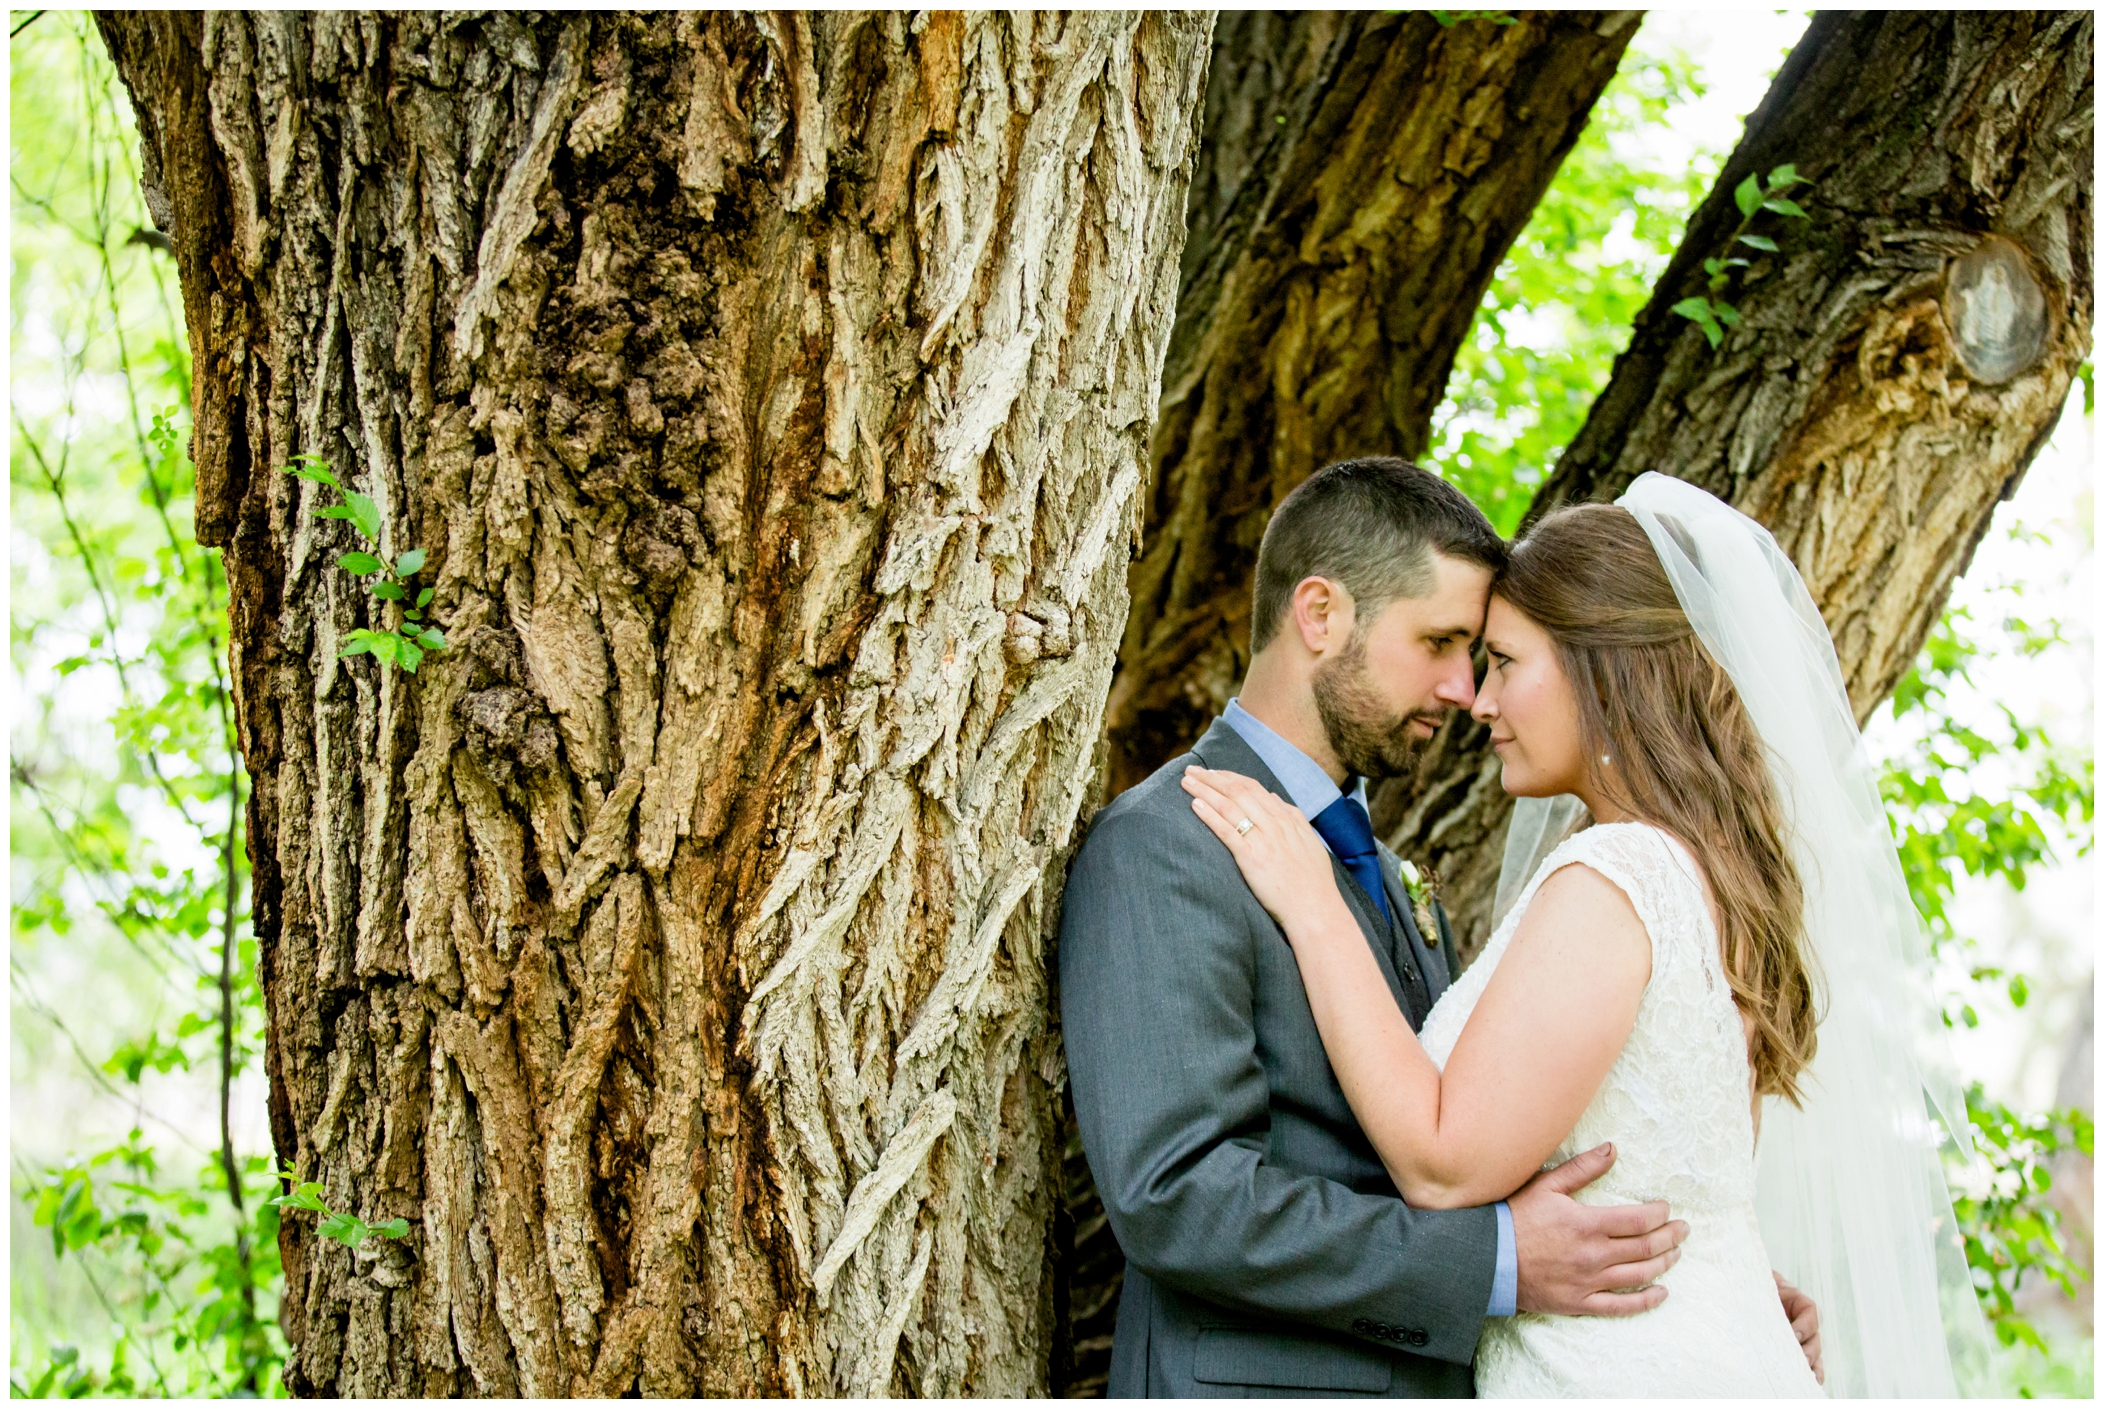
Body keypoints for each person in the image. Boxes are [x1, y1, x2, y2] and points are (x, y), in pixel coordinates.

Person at [1178, 473, 1985, 1395]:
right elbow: (1687, 1183)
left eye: (1507, 662)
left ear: (1602, 670)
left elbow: (1442, 1166)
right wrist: (1734, 1292)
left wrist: (1314, 902)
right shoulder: (1705, 872)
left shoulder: (1615, 881)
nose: (1479, 701)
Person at [1059, 460, 1821, 1397]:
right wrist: (1494, 1261)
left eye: (1487, 656)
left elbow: (1509, 1136)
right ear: (1321, 615)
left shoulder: (1394, 875)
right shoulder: (1168, 844)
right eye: (1442, 643)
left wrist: (1702, 1281)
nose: (1466, 690)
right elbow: (1175, 1198)